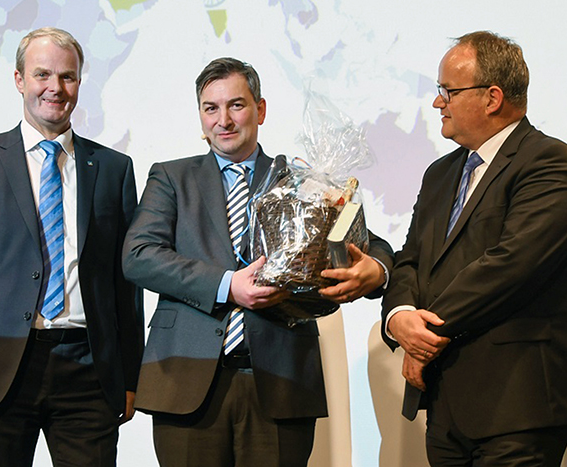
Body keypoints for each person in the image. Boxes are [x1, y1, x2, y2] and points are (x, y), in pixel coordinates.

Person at [122, 57, 393, 467]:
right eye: (210, 108)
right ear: (200, 115)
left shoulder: (300, 180)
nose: (223, 120)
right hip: (187, 382)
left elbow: (370, 244)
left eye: (236, 105)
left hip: (280, 384)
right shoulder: (172, 177)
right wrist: (228, 285)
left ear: (260, 109)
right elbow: (139, 256)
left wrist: (376, 270)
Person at [0, 27, 144, 466]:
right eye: (42, 74)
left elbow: (126, 285)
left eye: (68, 77)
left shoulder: (114, 169)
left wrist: (130, 373)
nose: (55, 88)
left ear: (80, 83)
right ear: (19, 79)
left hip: (89, 368)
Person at [381, 30, 567, 466]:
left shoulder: (549, 163)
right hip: (446, 406)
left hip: (520, 405)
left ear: (492, 97)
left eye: (448, 91)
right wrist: (399, 317)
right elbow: (412, 260)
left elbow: (511, 267)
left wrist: (427, 333)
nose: (438, 102)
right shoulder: (441, 173)